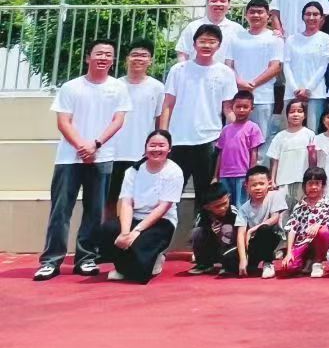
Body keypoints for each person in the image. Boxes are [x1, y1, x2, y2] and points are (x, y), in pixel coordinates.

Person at [35, 39, 131, 281]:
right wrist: (82, 146)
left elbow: (118, 120)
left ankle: (86, 258)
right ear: (88, 57)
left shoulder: (118, 88)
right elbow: (63, 122)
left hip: (102, 156)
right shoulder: (71, 87)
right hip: (69, 158)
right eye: (99, 53)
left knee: (94, 211)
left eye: (108, 54)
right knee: (60, 211)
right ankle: (51, 261)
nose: (103, 58)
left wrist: (95, 144)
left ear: (113, 60)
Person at [159, 24, 238, 203]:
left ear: (219, 46)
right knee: (170, 194)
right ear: (194, 44)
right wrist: (163, 136)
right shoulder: (178, 70)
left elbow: (228, 108)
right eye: (202, 41)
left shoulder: (225, 73)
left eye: (212, 41)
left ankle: (201, 223)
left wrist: (237, 133)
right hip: (178, 139)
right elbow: (168, 104)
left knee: (206, 195)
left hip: (209, 139)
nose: (207, 45)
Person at [96, 128, 183, 284]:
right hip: (135, 216)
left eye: (161, 145)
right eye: (152, 145)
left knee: (140, 276)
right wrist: (125, 233)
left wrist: (136, 231)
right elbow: (127, 203)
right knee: (108, 230)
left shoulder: (174, 172)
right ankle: (122, 268)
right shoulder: (132, 171)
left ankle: (155, 259)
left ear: (169, 149)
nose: (156, 149)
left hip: (161, 221)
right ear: (145, 147)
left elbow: (163, 208)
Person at [109, 41, 166, 216]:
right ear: (126, 59)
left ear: (150, 61)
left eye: (144, 55)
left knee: (138, 201)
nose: (139, 59)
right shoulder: (114, 86)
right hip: (113, 153)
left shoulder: (157, 87)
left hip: (141, 154)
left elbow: (160, 120)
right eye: (134, 55)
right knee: (109, 199)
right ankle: (105, 232)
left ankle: (132, 232)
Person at [228, 0, 283, 144]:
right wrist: (240, 82)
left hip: (263, 97)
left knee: (260, 140)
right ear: (246, 15)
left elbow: (275, 67)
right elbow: (228, 65)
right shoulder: (236, 37)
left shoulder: (275, 38)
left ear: (268, 16)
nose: (256, 15)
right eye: (252, 12)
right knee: (235, 139)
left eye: (260, 12)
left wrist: (253, 84)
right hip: (237, 97)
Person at [279, 166, 329, 277]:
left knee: (323, 231)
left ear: (323, 186)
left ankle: (317, 262)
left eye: (317, 183)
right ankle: (306, 261)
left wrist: (318, 225)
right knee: (288, 267)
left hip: (319, 243)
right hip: (302, 243)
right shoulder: (299, 206)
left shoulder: (328, 205)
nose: (313, 187)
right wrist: (289, 252)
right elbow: (292, 229)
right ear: (304, 186)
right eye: (310, 184)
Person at [283, 2, 329, 129]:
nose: (311, 17)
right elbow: (286, 65)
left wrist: (308, 89)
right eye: (308, 14)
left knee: (312, 131)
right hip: (292, 93)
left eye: (315, 14)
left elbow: (323, 66)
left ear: (322, 18)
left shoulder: (327, 40)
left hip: (315, 93)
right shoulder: (291, 39)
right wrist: (295, 89)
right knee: (290, 131)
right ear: (303, 16)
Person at [214, 89, 265, 204]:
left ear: (252, 109)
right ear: (232, 107)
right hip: (224, 175)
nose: (241, 110)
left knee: (240, 205)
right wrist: (215, 176)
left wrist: (251, 175)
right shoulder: (226, 129)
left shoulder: (253, 128)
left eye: (245, 107)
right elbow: (220, 153)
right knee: (226, 205)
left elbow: (254, 153)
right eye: (238, 107)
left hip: (242, 174)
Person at [236, 166, 287, 278]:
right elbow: (240, 233)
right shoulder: (243, 208)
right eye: (254, 185)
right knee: (229, 260)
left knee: (264, 229)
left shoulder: (275, 195)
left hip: (274, 238)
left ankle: (268, 263)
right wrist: (243, 259)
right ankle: (251, 264)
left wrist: (252, 230)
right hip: (255, 242)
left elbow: (274, 218)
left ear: (269, 184)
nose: (258, 188)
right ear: (246, 187)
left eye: (261, 184)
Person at [267, 99, 318, 205]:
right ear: (286, 115)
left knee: (301, 208)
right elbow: (274, 159)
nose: (296, 114)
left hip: (302, 180)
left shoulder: (310, 134)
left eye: (299, 111)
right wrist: (272, 180)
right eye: (292, 111)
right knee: (284, 211)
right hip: (283, 181)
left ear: (305, 115)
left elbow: (313, 160)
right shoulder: (280, 136)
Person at [176, 0, 244, 62]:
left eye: (222, 1)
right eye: (214, 1)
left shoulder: (237, 29)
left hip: (226, 69)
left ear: (229, 4)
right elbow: (183, 53)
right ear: (207, 3)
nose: (218, 4)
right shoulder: (193, 26)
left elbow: (241, 55)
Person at [188, 182, 239, 275]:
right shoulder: (202, 216)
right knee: (197, 232)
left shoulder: (234, 213)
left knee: (227, 229)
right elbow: (195, 239)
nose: (223, 208)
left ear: (229, 197)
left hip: (231, 251)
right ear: (207, 207)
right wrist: (211, 231)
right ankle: (204, 264)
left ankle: (228, 265)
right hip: (212, 249)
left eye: (225, 203)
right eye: (217, 206)